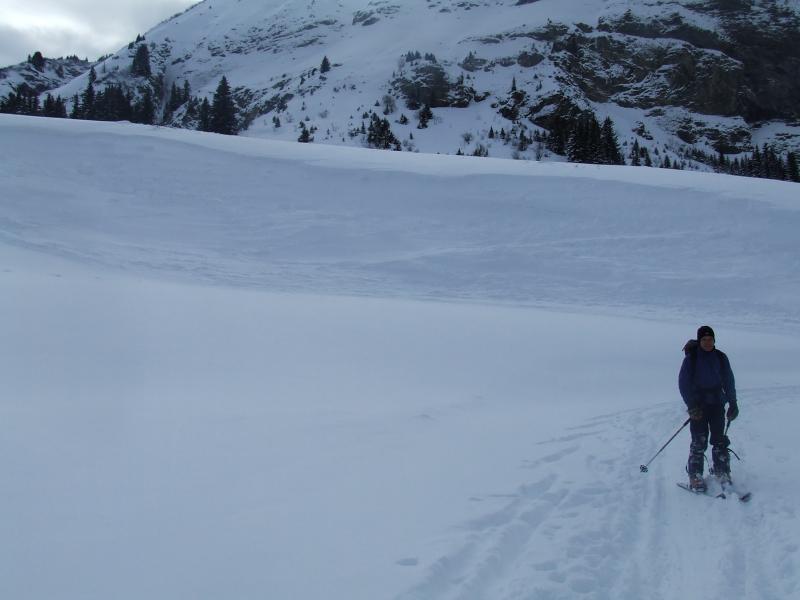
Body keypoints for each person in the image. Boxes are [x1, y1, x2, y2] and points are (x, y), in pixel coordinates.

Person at [678, 325, 738, 491]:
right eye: (704, 339)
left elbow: (729, 381)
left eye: (710, 339)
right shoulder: (692, 359)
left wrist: (733, 403)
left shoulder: (720, 357)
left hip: (717, 404)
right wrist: (691, 405)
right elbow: (684, 384)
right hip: (698, 406)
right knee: (699, 442)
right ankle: (695, 476)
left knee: (719, 440)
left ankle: (722, 472)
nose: (707, 342)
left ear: (714, 340)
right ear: (699, 341)